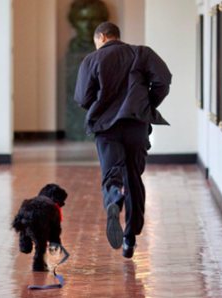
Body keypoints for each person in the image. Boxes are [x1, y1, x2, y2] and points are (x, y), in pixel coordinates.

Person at [74, 22, 172, 258]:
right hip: (136, 125)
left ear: (103, 37)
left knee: (112, 173)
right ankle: (130, 238)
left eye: (96, 42)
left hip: (107, 127)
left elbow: (82, 97)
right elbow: (163, 80)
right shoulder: (141, 53)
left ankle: (113, 199)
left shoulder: (92, 60)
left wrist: (100, 105)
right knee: (133, 177)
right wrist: (145, 104)